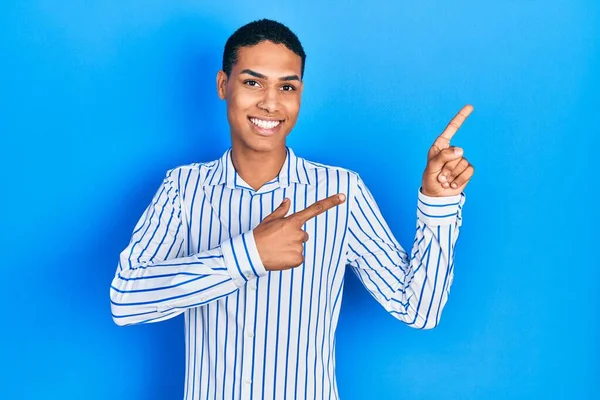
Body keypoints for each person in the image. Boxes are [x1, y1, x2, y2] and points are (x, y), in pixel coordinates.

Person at [110, 18, 474, 400]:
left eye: (287, 87)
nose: (270, 102)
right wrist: (248, 255)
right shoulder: (183, 189)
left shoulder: (341, 191)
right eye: (253, 82)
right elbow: (126, 300)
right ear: (223, 85)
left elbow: (419, 310)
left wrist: (439, 203)